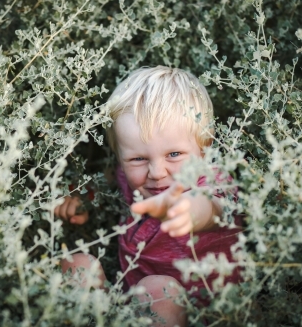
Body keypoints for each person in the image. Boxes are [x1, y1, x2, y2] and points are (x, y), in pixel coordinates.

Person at [54, 66, 241, 327]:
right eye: (138, 158)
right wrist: (83, 199)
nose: (157, 172)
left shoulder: (210, 181)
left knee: (158, 290)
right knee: (76, 264)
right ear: (120, 155)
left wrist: (186, 211)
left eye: (174, 154)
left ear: (204, 147)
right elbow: (109, 178)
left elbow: (215, 209)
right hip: (131, 302)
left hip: (205, 311)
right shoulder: (131, 178)